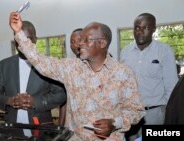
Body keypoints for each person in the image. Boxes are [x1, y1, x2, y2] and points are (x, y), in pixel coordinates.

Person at [9, 12, 145, 140]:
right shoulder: (72, 68)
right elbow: (40, 61)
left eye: (86, 40)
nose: (80, 43)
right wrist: (19, 33)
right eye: (81, 39)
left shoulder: (122, 73)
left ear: (102, 43)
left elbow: (136, 111)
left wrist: (115, 123)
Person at [0, 21, 66, 131]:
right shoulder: (4, 65)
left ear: (36, 39)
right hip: (12, 126)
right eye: (19, 38)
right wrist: (9, 101)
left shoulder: (47, 64)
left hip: (41, 126)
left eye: (28, 38)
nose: (22, 42)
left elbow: (61, 94)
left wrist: (35, 102)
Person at [120, 13, 179, 140]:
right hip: (130, 113)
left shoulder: (164, 51)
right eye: (137, 27)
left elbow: (171, 86)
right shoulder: (125, 52)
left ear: (153, 29)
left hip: (154, 114)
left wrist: (168, 113)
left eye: (145, 28)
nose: (140, 31)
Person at [59, 28, 83, 127]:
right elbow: (65, 100)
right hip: (72, 125)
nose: (75, 45)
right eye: (72, 42)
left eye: (79, 40)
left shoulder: (98, 65)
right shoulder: (68, 67)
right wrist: (60, 126)